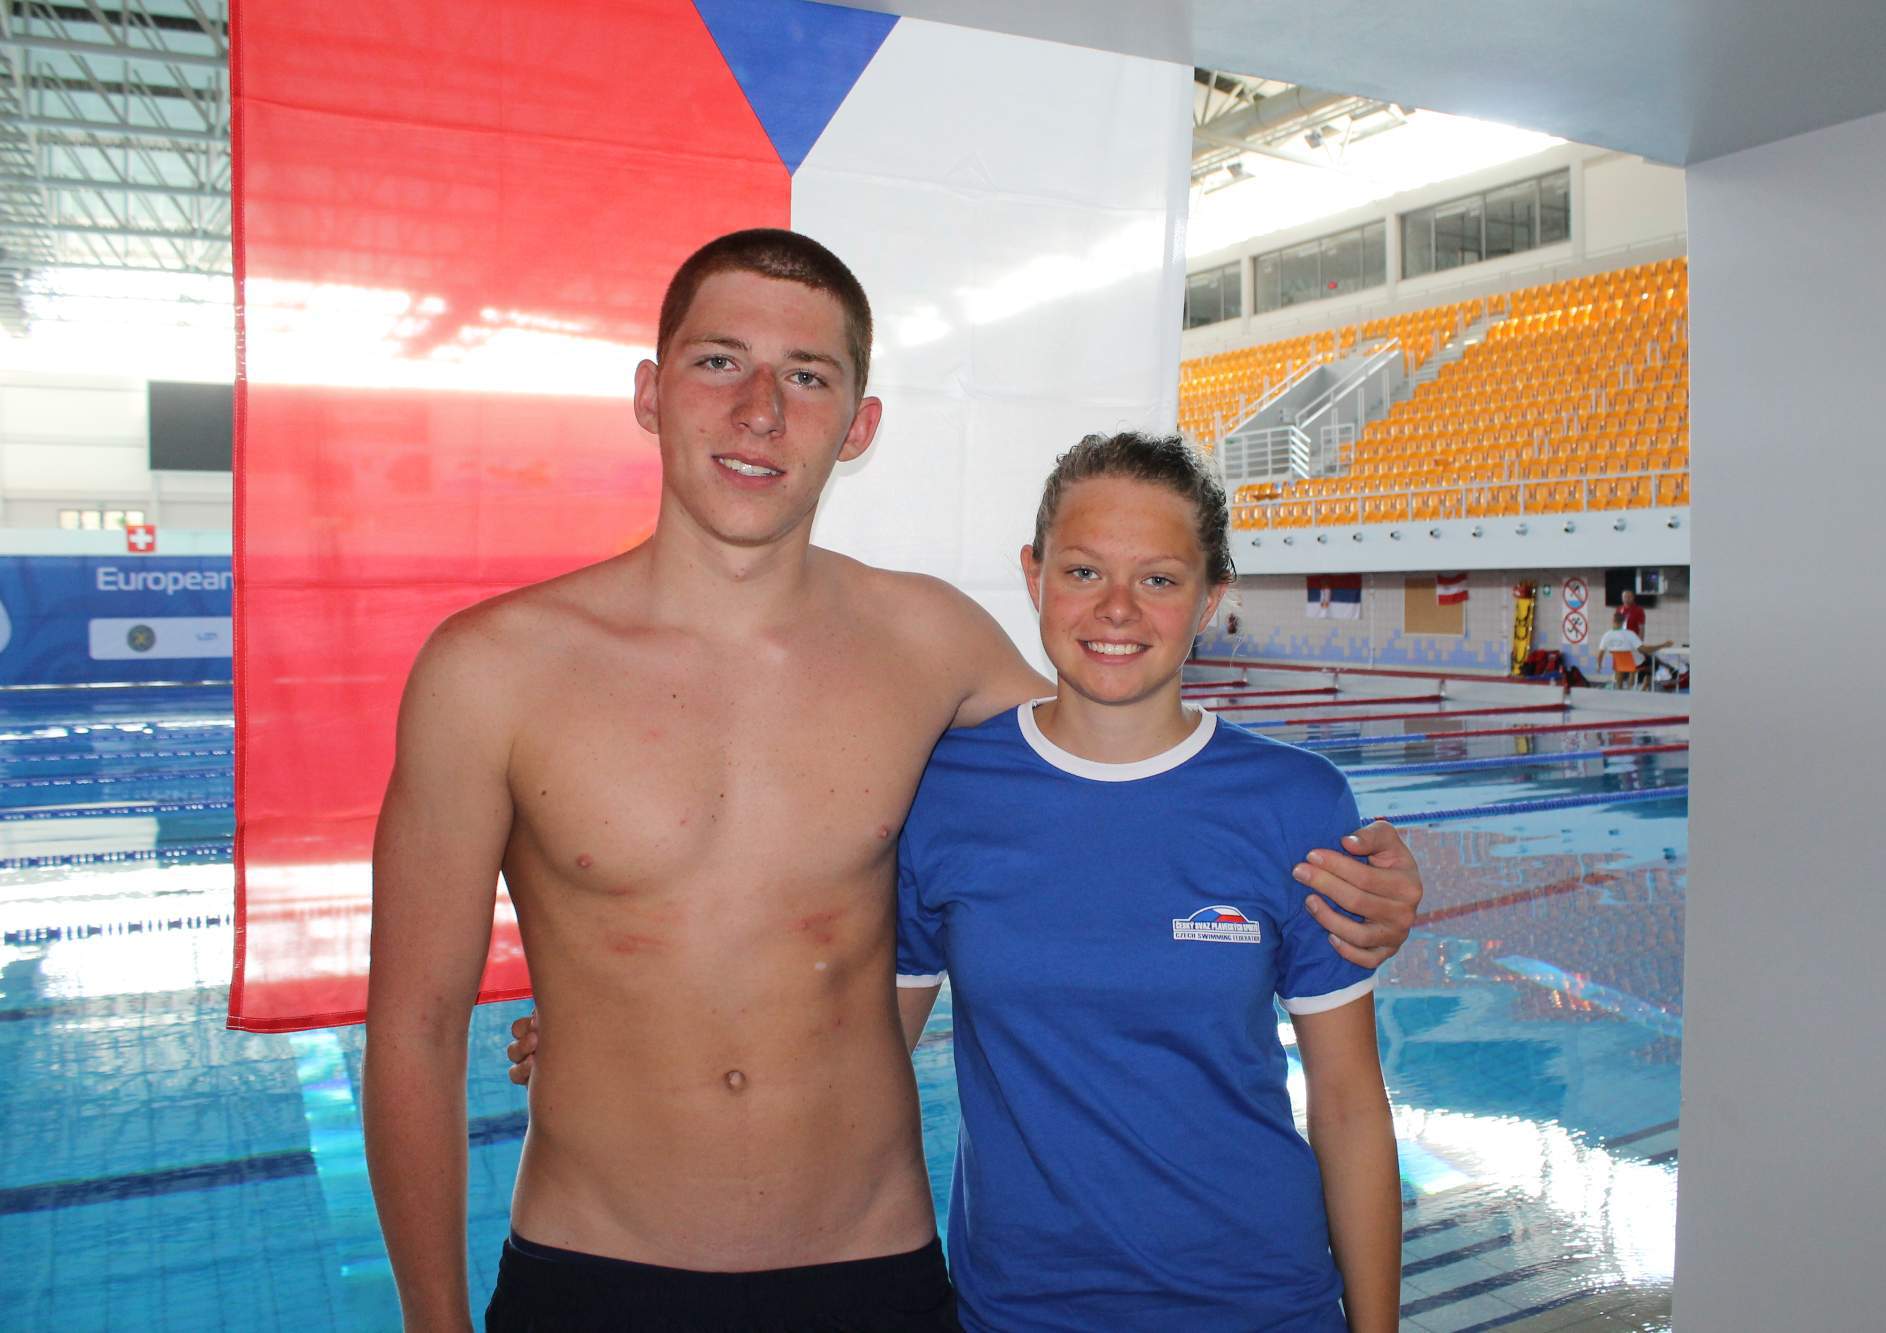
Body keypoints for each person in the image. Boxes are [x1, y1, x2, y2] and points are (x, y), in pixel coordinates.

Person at [365, 227, 1427, 1333]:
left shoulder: (927, 644)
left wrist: (1356, 881)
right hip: (595, 1262)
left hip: (867, 1270)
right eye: (720, 361)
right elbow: (414, 1029)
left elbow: (1119, 757)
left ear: (858, 424)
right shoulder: (491, 671)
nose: (759, 411)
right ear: (649, 391)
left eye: (806, 376)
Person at [894, 433, 1399, 1331]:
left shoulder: (1295, 800)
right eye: (1083, 571)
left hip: (1259, 1303)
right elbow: (865, 1066)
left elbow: (1350, 1100)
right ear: (1034, 575)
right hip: (1019, 1309)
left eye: (1159, 578)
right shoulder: (946, 789)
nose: (1117, 608)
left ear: (1212, 598)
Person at [1595, 609, 1643, 689]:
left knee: (1619, 665)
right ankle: (1631, 688)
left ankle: (1619, 687)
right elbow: (1641, 648)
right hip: (1632, 664)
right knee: (1636, 664)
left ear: (1612, 621)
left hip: (1618, 663)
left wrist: (1599, 666)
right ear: (1624, 622)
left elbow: (1600, 654)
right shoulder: (1630, 634)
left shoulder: (1607, 635)